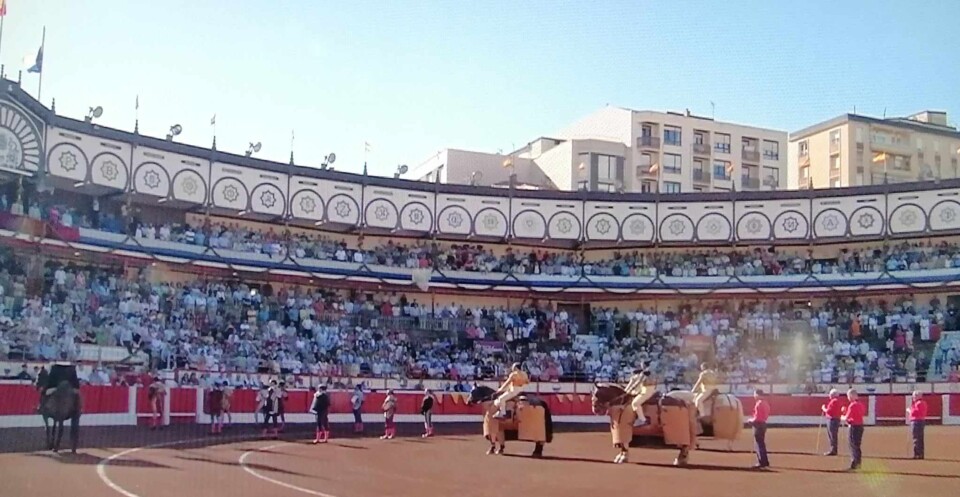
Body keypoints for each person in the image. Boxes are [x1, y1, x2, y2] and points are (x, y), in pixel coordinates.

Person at [841, 388, 865, 471]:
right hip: (860, 426)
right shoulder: (860, 404)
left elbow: (846, 417)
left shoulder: (852, 405)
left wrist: (842, 416)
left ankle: (854, 463)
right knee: (857, 445)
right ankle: (858, 463)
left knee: (853, 445)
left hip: (854, 426)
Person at [748, 389, 771, 469]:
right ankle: (765, 461)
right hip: (763, 424)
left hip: (758, 425)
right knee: (761, 444)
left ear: (758, 394)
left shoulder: (759, 404)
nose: (754, 396)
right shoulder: (765, 403)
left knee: (758, 444)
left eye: (754, 394)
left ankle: (761, 462)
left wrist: (750, 420)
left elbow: (757, 417)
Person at [820, 388, 842, 456]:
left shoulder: (834, 401)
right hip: (835, 419)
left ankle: (833, 449)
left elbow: (829, 411)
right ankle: (833, 449)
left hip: (832, 419)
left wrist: (823, 408)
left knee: (832, 435)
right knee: (833, 435)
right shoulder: (837, 401)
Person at [907, 391, 927, 460]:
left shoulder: (918, 403)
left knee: (916, 438)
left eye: (914, 396)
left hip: (916, 421)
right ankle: (920, 454)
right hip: (920, 421)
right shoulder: (922, 403)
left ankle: (917, 454)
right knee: (920, 438)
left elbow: (914, 412)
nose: (913, 397)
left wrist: (909, 411)